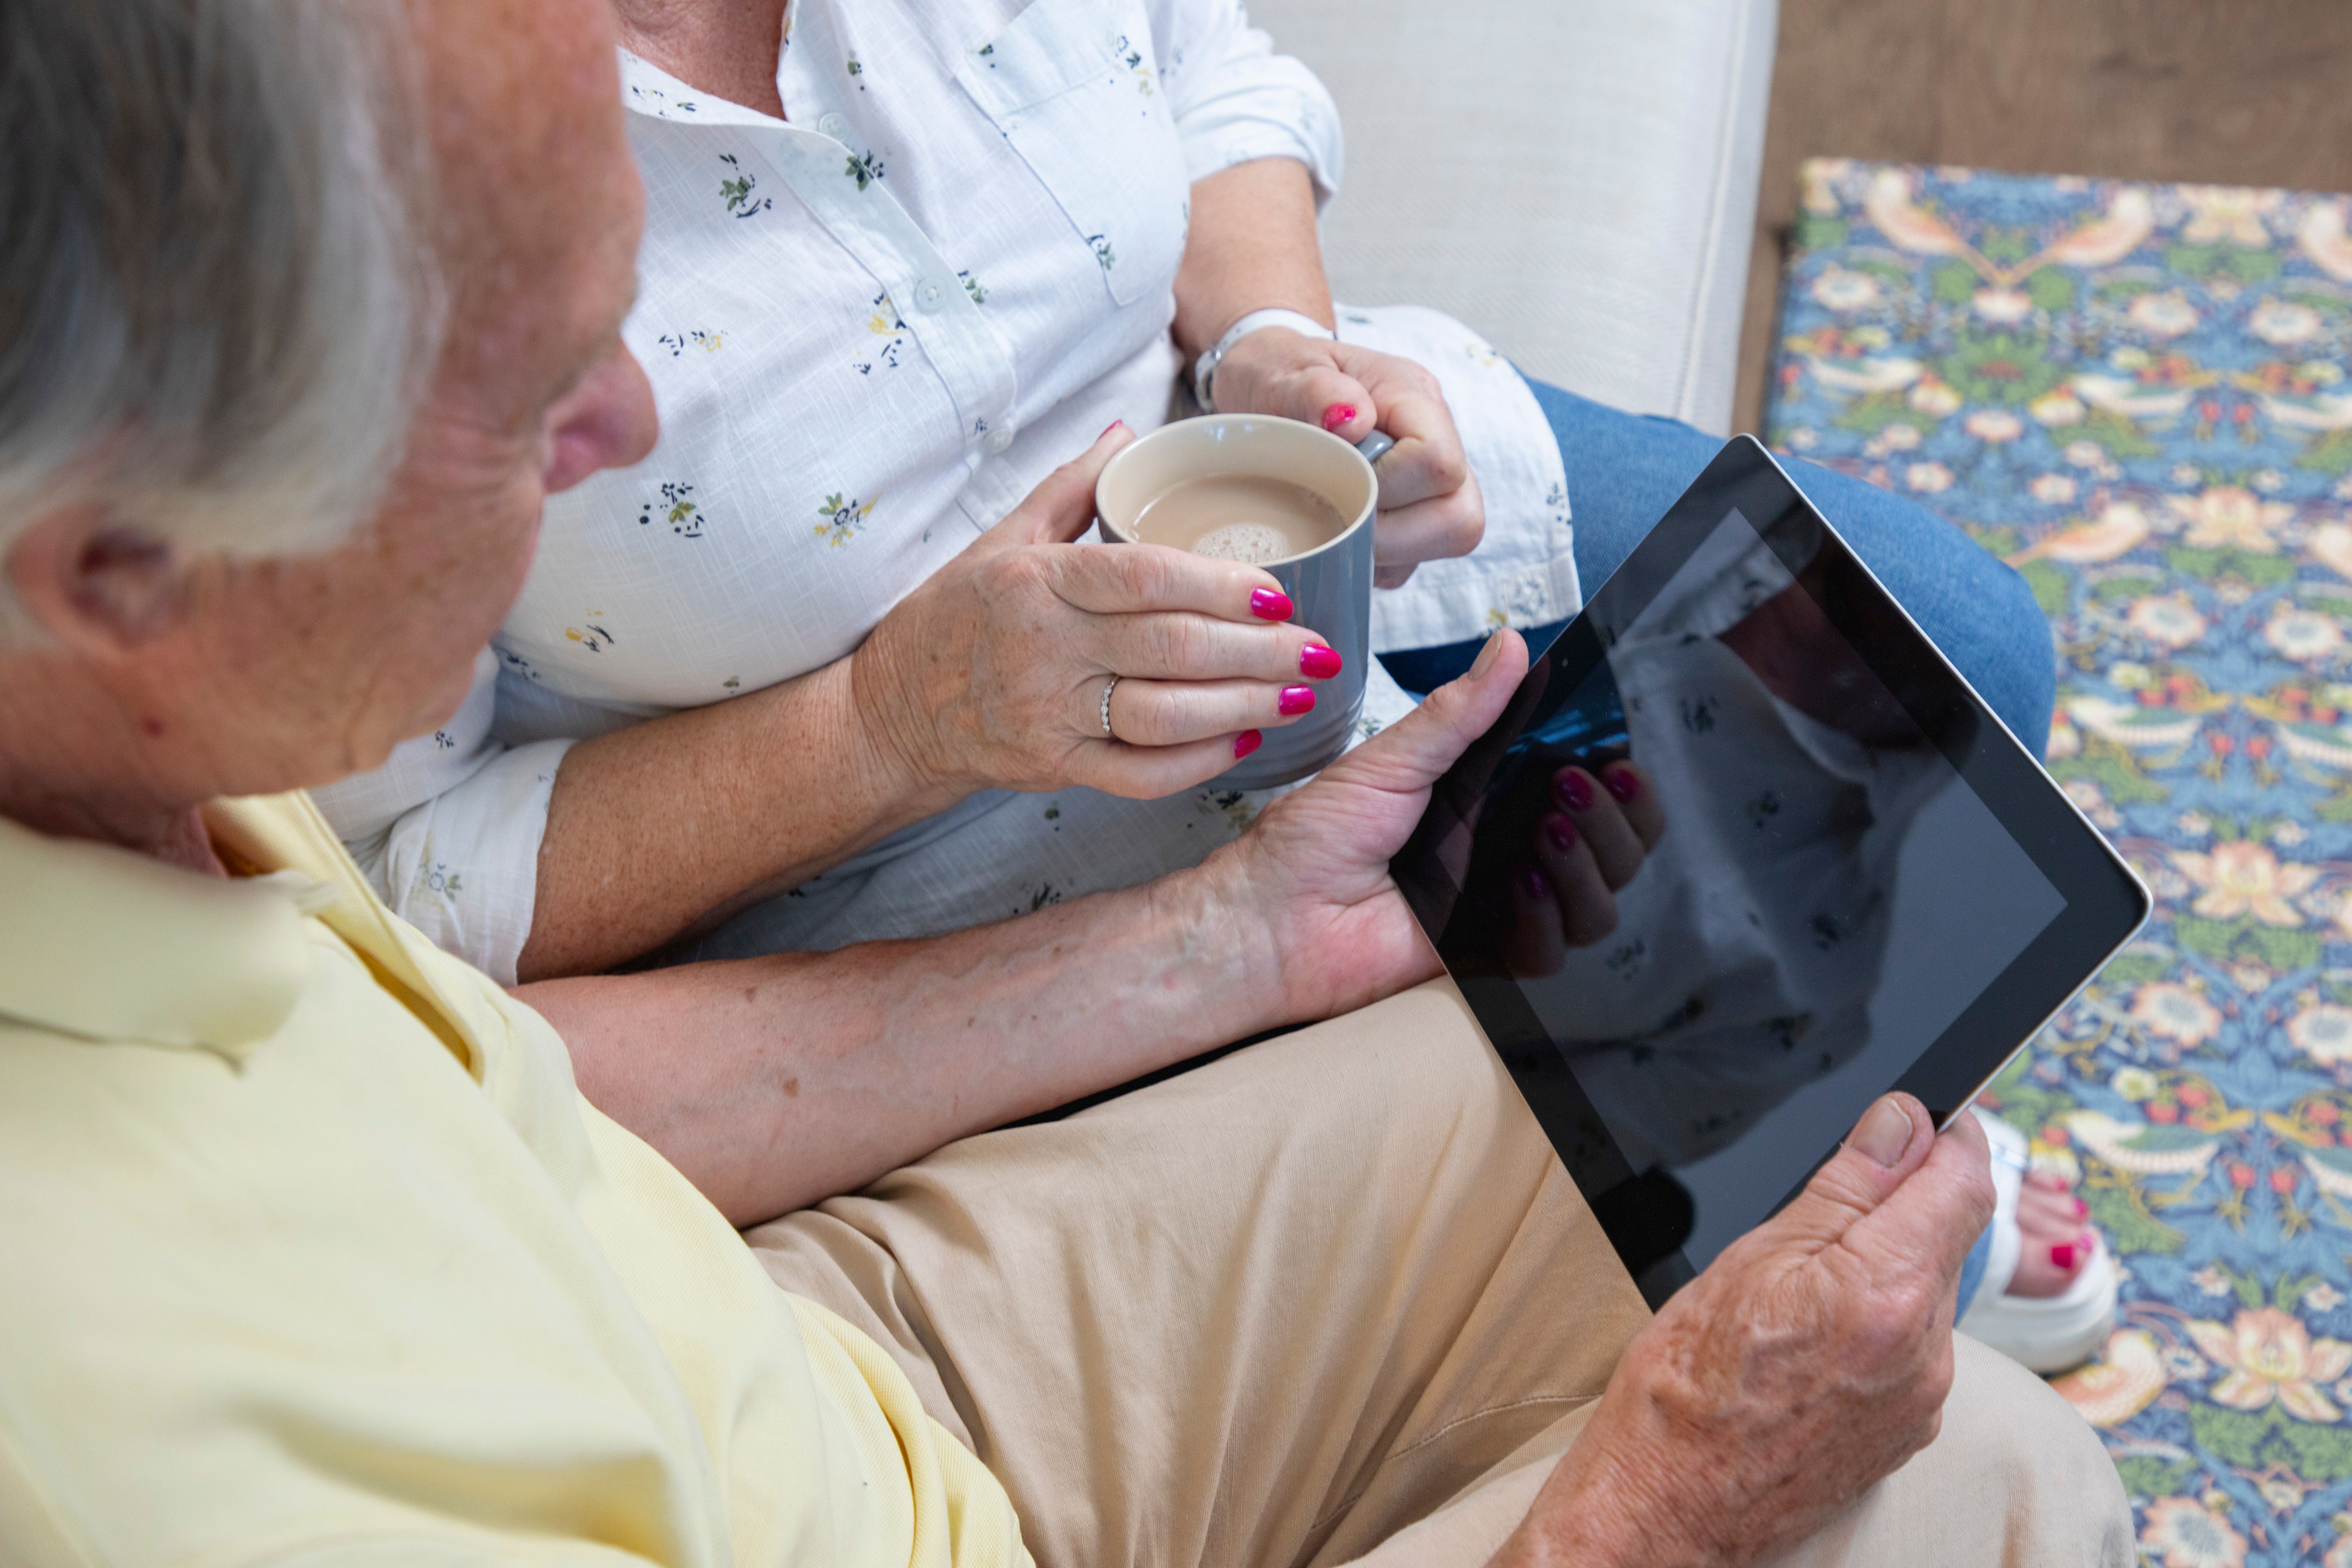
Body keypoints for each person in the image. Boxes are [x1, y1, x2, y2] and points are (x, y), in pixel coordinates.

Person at [0, 2, 2132, 1564]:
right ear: (120, 572)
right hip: (778, 1449)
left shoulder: (152, 769)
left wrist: (1225, 943)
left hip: (784, 1345)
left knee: (1750, 1050)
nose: (631, 416)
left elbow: (509, 1080)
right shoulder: (155, 1430)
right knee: (1978, 1476)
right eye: (514, 397)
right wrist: (1637, 1508)